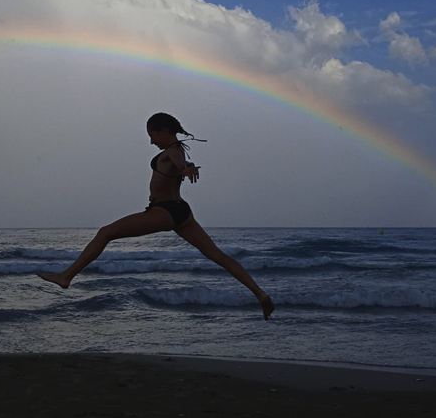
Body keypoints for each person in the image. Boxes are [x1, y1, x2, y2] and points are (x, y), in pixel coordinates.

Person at [37, 113, 276, 320]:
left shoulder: (173, 151)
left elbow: (180, 163)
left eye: (153, 136)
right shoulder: (176, 149)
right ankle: (260, 294)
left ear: (164, 131)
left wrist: (187, 168)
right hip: (181, 212)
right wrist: (187, 166)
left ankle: (66, 276)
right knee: (218, 256)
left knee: (105, 232)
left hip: (165, 211)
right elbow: (181, 161)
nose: (152, 141)